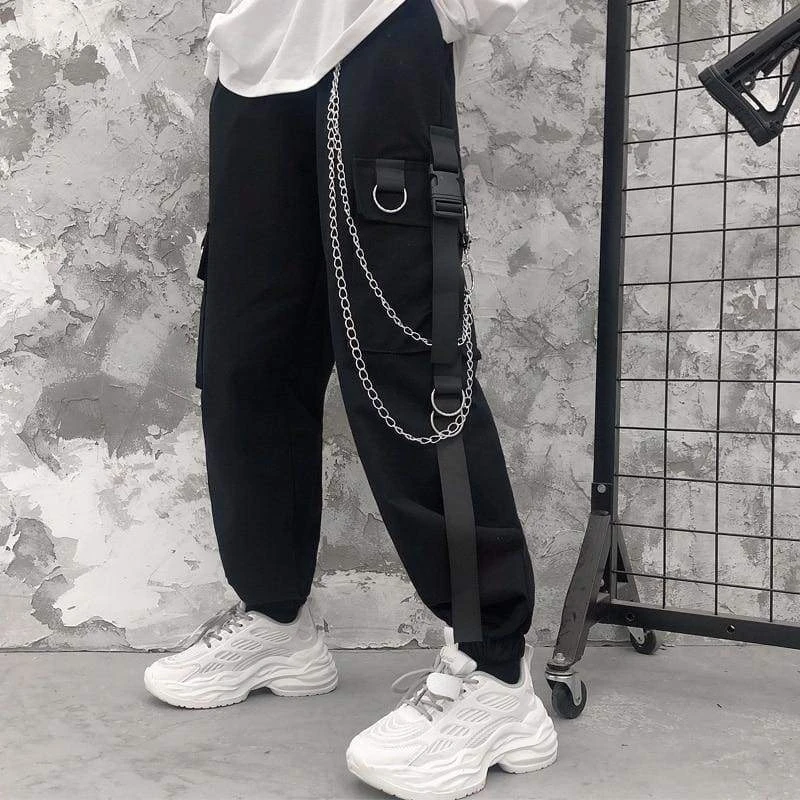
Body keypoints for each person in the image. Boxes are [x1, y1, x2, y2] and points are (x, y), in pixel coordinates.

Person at [143, 1, 557, 797]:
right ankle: (277, 621)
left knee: (408, 361)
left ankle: (495, 670)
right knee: (246, 364)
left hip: (378, 28)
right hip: (254, 60)